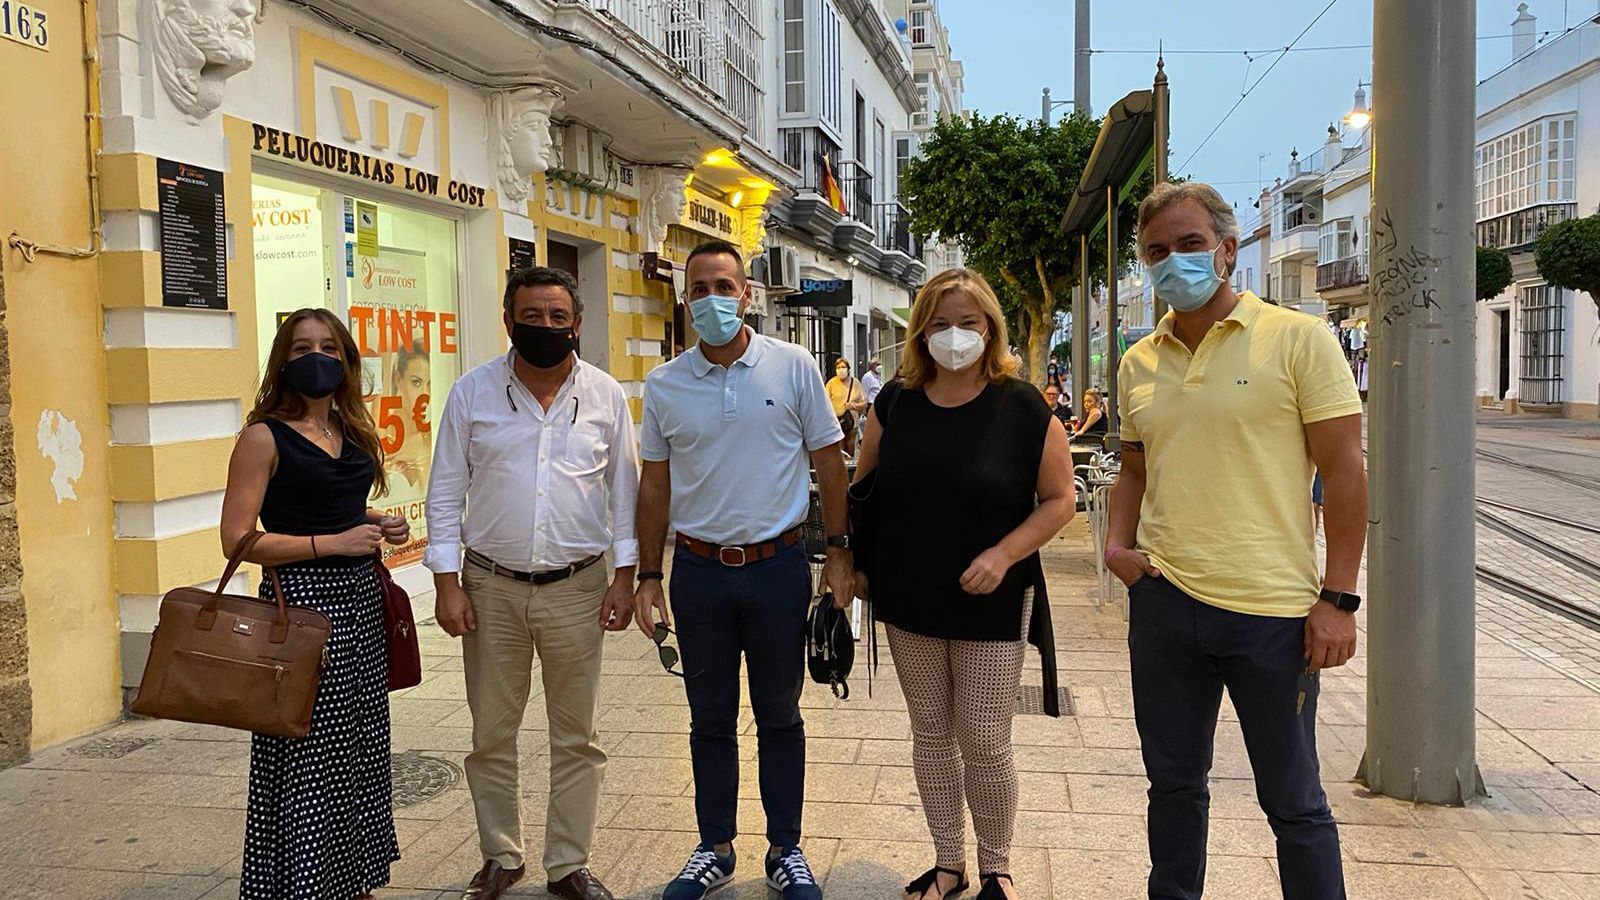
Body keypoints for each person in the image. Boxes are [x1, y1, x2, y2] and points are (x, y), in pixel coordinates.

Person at [1107, 182, 1366, 900]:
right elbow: (1133, 467)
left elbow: (1344, 473)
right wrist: (1117, 548)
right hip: (1164, 606)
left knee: (1293, 800)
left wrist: (1338, 599)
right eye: (1157, 251)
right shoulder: (1138, 362)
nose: (1174, 261)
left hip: (1272, 615)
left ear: (1226, 250)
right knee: (1173, 787)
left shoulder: (1298, 339)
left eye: (1190, 245)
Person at [634, 240, 853, 900]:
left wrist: (839, 554)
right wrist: (648, 576)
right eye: (698, 288)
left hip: (777, 569)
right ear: (685, 298)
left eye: (722, 285)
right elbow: (653, 486)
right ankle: (715, 846)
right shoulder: (665, 384)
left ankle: (786, 848)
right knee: (709, 718)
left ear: (748, 293)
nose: (710, 299)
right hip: (698, 574)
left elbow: (830, 462)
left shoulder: (791, 368)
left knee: (780, 715)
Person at [853, 269, 1075, 900]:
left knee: (983, 737)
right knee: (930, 733)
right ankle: (948, 862)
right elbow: (864, 489)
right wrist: (855, 564)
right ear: (922, 330)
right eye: (941, 323)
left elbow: (1060, 500)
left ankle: (996, 866)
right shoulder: (894, 403)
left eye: (968, 323)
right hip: (907, 594)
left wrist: (1005, 554)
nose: (955, 335)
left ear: (990, 328)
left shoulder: (1024, 405)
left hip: (992, 596)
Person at [426, 268, 640, 900]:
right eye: (531, 315)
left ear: (576, 324)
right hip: (489, 587)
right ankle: (501, 855)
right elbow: (444, 492)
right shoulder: (472, 393)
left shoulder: (605, 396)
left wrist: (624, 578)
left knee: (578, 735)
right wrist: (446, 582)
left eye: (557, 317)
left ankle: (568, 862)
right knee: (491, 732)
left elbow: (624, 495)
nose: (544, 327)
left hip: (579, 587)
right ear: (508, 319)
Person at [219, 308, 410, 900]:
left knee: (358, 747)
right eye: (302, 349)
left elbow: (335, 506)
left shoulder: (351, 431)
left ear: (347, 359)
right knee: (304, 753)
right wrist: (332, 543)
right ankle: (300, 884)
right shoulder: (262, 436)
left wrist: (378, 520)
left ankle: (352, 880)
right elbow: (238, 539)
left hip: (360, 606)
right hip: (299, 608)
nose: (316, 358)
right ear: (283, 360)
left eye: (328, 346)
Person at [826, 357, 870, 456]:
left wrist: (853, 406)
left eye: (843, 367)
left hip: (851, 423)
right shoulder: (831, 383)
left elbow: (864, 403)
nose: (841, 370)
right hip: (836, 423)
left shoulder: (855, 383)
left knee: (850, 451)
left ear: (848, 369)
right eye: (838, 367)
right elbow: (824, 403)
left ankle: (849, 471)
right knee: (839, 452)